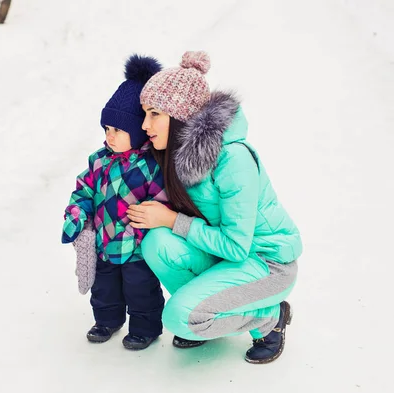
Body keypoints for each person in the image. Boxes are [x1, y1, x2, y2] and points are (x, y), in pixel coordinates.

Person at [126, 51, 302, 363]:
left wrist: (171, 219)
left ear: (180, 116)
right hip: (229, 258)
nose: (145, 124)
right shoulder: (179, 156)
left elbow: (236, 247)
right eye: (144, 113)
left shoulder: (233, 160)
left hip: (267, 263)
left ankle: (268, 317)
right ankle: (208, 314)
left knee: (179, 318)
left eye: (154, 114)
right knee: (157, 243)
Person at [62, 55, 167, 350]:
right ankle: (107, 320)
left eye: (117, 131)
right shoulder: (99, 161)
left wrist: (148, 226)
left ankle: (145, 327)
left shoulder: (150, 166)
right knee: (104, 288)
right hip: (104, 243)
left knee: (141, 290)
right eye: (106, 129)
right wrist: (77, 212)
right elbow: (82, 190)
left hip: (136, 247)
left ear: (137, 130)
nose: (109, 136)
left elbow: (163, 200)